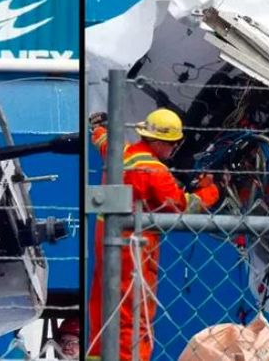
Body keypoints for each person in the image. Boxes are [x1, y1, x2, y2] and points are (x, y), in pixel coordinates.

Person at [87, 108, 221, 361]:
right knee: (135, 313)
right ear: (159, 142)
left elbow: (103, 141)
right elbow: (182, 206)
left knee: (103, 308)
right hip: (136, 247)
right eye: (171, 145)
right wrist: (212, 191)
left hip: (107, 238)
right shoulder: (154, 171)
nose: (174, 150)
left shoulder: (122, 152)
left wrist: (97, 128)